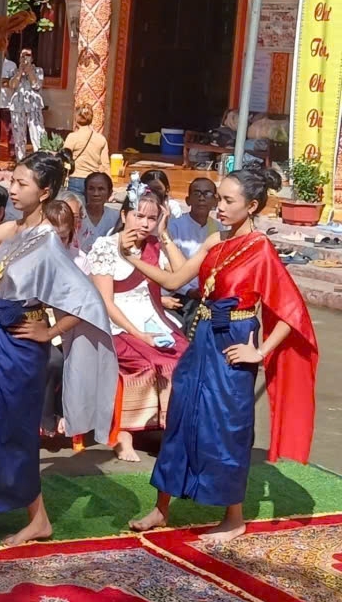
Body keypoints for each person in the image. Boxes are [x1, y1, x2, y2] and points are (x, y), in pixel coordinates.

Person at [0, 152, 117, 550]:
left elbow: (88, 301)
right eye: (12, 182)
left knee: (5, 432)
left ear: (45, 191)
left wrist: (50, 329)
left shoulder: (49, 242)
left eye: (22, 184)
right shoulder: (13, 231)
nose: (13, 190)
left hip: (20, 348)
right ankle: (34, 518)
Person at [127, 169, 317, 543]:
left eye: (229, 201)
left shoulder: (260, 248)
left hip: (236, 338)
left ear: (252, 206)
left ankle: (234, 517)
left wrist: (259, 351)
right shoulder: (216, 237)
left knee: (228, 426)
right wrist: (137, 252)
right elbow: (175, 280)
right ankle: (162, 507)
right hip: (202, 337)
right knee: (181, 416)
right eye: (220, 199)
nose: (221, 206)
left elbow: (293, 312)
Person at [88, 181, 190, 462]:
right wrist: (137, 334)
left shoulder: (156, 246)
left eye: (152, 218)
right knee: (144, 365)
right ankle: (124, 435)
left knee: (184, 360)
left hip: (154, 319)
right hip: (117, 323)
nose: (145, 223)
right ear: (124, 216)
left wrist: (165, 235)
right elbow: (106, 302)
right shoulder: (105, 247)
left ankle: (173, 431)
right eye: (138, 216)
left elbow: (182, 275)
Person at [166, 178, 219, 331]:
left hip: (210, 294)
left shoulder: (220, 229)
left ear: (215, 201)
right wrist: (189, 290)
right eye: (197, 193)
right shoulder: (174, 227)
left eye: (207, 193)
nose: (202, 198)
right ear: (188, 200)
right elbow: (168, 266)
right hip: (180, 292)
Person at [64, 105, 111, 195]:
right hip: (93, 180)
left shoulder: (72, 137)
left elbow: (65, 158)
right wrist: (109, 185)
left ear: (76, 119)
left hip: (75, 178)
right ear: (91, 119)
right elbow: (105, 165)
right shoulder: (101, 139)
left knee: (75, 208)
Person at [77, 172, 119, 248]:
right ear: (85, 192)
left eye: (101, 189)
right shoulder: (77, 216)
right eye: (91, 189)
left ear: (109, 193)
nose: (96, 194)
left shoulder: (116, 217)